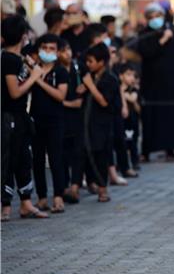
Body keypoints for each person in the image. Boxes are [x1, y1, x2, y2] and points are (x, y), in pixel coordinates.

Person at [1, 15, 48, 220]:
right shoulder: (8, 60)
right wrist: (34, 77)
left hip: (19, 117)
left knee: (23, 159)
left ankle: (26, 204)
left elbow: (40, 74)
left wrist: (31, 65)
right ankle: (6, 207)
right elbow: (15, 92)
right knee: (8, 159)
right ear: (22, 35)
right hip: (8, 117)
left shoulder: (17, 58)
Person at [137, 2, 174, 162]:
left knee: (170, 116)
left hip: (171, 82)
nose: (155, 20)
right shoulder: (144, 34)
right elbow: (146, 53)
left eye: (157, 16)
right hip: (151, 84)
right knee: (150, 117)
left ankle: (170, 149)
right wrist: (163, 40)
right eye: (151, 17)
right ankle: (146, 151)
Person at [30, 34, 69, 213]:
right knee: (37, 160)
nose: (47, 51)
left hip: (55, 121)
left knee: (56, 158)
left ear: (58, 51)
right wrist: (34, 75)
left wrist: (38, 80)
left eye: (52, 48)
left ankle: (58, 197)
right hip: (36, 120)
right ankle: (42, 198)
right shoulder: (33, 69)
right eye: (44, 48)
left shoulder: (60, 71)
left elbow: (60, 95)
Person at [82, 43, 121, 202]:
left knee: (101, 156)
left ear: (101, 62)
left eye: (91, 61)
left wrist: (90, 86)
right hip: (87, 124)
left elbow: (105, 102)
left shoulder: (110, 79)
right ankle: (90, 183)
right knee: (86, 153)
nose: (88, 64)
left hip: (103, 125)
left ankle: (103, 189)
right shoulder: (89, 76)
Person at [59, 41, 85, 204]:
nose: (67, 53)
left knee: (78, 152)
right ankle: (63, 187)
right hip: (61, 117)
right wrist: (67, 103)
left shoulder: (78, 68)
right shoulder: (55, 70)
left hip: (77, 116)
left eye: (68, 49)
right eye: (63, 50)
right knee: (61, 153)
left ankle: (75, 186)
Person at [119, 64, 142, 171]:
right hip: (122, 121)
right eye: (128, 75)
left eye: (133, 75)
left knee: (132, 142)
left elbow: (133, 99)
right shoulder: (118, 89)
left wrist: (122, 92)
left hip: (132, 121)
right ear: (121, 76)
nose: (131, 78)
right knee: (123, 143)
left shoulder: (133, 89)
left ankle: (134, 161)